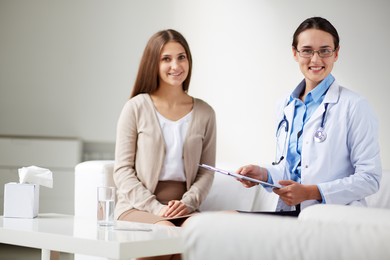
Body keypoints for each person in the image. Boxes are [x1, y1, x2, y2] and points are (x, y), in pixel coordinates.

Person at [236, 17, 381, 216]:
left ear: (336, 53)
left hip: (334, 216)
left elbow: (370, 179)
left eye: (324, 50)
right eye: (307, 50)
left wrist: (311, 192)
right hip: (291, 212)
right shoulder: (285, 105)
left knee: (230, 223)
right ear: (295, 53)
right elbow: (292, 169)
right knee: (224, 222)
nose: (315, 59)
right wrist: (264, 175)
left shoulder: (355, 106)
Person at [113, 29, 216, 227]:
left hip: (185, 208)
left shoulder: (206, 113)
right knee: (166, 230)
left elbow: (207, 172)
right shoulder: (135, 107)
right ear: (154, 63)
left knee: (199, 233)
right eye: (166, 59)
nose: (175, 66)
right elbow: (122, 170)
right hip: (137, 206)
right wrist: (156, 208)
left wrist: (187, 203)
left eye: (181, 57)